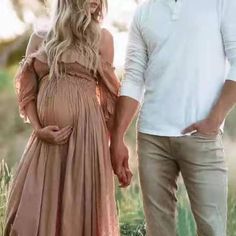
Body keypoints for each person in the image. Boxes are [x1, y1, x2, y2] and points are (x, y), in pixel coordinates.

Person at [110, 0, 236, 235]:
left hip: (202, 138)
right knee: (159, 231)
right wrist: (116, 138)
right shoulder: (143, 13)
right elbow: (134, 78)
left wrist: (214, 120)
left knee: (213, 229)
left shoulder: (221, 3)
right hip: (152, 139)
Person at [4, 0, 122, 235]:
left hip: (87, 141)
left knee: (78, 215)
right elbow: (28, 93)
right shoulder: (39, 37)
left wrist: (116, 146)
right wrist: (38, 128)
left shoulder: (103, 39)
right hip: (46, 140)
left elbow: (110, 98)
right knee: (25, 217)